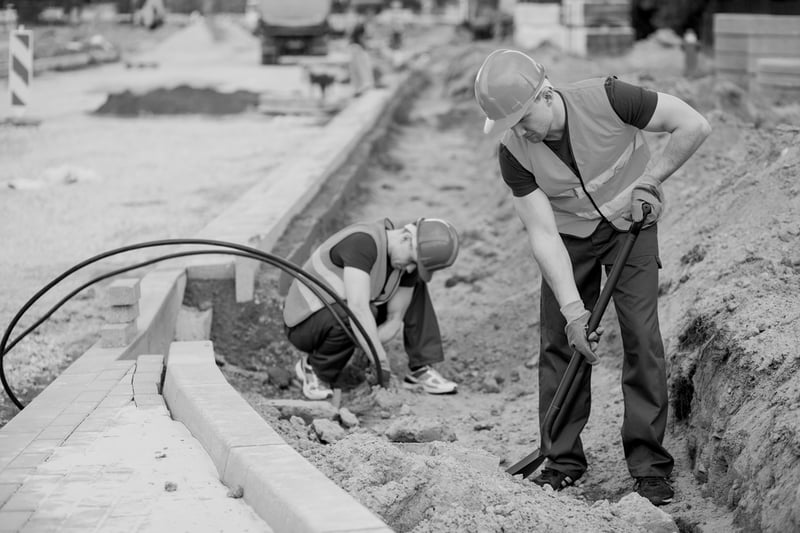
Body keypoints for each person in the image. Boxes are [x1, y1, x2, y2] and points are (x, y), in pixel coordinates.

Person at [473, 49, 711, 506]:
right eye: (511, 126)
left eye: (523, 119)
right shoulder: (514, 154)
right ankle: (563, 460)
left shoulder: (610, 98)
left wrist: (653, 181)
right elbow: (542, 234)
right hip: (571, 237)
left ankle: (649, 467)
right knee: (560, 342)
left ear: (545, 94)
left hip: (631, 224)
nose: (521, 131)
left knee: (641, 336)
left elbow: (694, 125)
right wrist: (572, 312)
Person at [283, 217, 460, 401]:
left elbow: (395, 319)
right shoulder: (363, 243)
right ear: (406, 238)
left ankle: (421, 369)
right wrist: (380, 360)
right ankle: (316, 370)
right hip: (304, 322)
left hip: (343, 313)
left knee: (417, 285)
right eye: (412, 261)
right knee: (353, 315)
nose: (410, 268)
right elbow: (358, 309)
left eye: (416, 265)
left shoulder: (406, 263)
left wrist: (369, 348)